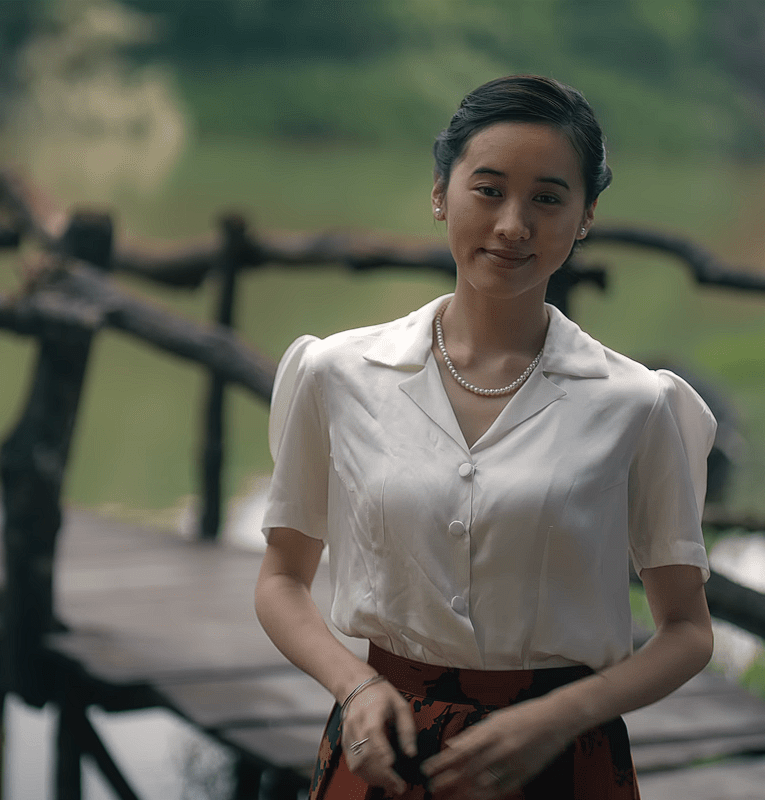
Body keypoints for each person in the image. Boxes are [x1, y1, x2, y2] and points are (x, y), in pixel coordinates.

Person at [254, 74, 717, 800]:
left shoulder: (637, 405)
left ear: (586, 217)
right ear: (441, 193)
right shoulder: (336, 373)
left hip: (562, 765)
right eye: (489, 190)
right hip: (385, 755)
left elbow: (687, 629)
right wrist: (354, 686)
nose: (512, 225)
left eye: (548, 199)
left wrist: (562, 716)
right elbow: (282, 579)